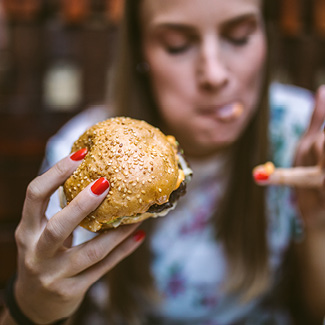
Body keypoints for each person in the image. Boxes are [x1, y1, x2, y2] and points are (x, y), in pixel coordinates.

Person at [1, 0, 325, 324]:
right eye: (178, 45)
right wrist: (32, 308)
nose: (214, 75)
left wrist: (318, 224)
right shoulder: (81, 162)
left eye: (239, 36)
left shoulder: (303, 135)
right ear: (141, 51)